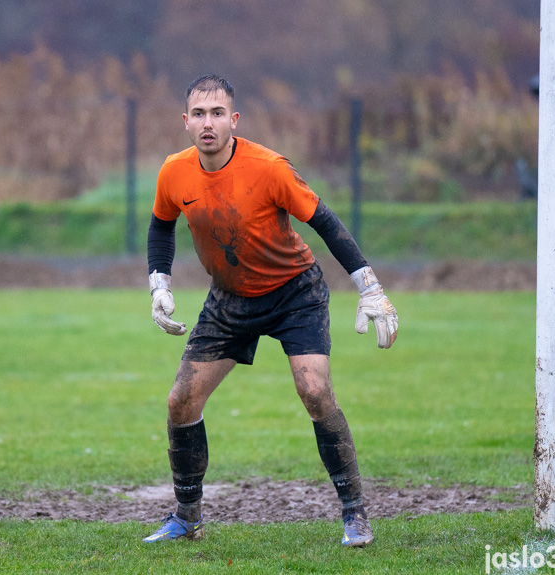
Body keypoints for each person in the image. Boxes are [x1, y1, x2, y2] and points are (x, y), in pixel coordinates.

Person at [143, 74, 398, 547]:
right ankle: (187, 518)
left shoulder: (269, 167)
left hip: (293, 293)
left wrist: (370, 287)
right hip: (229, 300)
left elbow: (324, 220)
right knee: (181, 402)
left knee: (315, 391)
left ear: (233, 120)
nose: (208, 123)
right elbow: (161, 227)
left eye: (217, 113)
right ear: (185, 122)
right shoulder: (173, 172)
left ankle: (355, 516)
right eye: (198, 114)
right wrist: (159, 283)